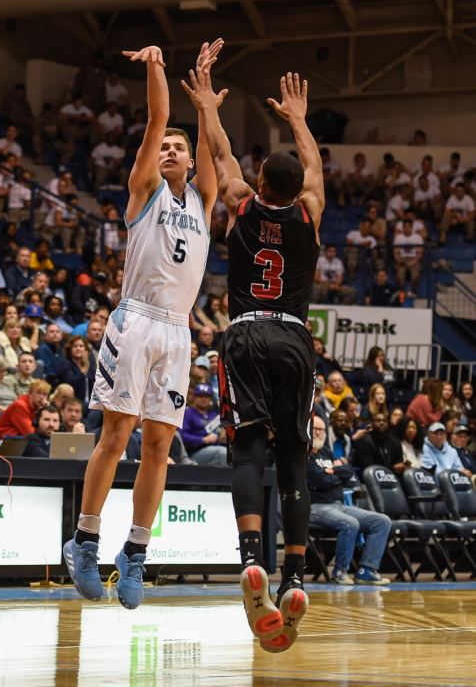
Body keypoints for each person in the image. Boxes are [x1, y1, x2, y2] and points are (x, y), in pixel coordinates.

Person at [63, 41, 222, 611]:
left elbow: (209, 149)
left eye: (181, 148)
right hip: (136, 320)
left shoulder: (203, 200)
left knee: (159, 447)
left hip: (178, 331)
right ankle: (84, 540)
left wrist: (204, 98)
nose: (173, 150)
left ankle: (135, 551)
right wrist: (158, 67)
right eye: (167, 148)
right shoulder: (144, 191)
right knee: (117, 435)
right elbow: (158, 117)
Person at [183, 66, 324, 651]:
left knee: (248, 449)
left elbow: (218, 154)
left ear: (259, 179)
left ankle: (249, 560)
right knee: (293, 456)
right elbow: (312, 168)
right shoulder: (310, 210)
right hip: (294, 336)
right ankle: (293, 574)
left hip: (243, 333)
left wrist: (211, 107)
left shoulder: (241, 202)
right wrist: (299, 119)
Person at [307, 416, 391, 585]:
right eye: (314, 429)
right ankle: (340, 571)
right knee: (350, 523)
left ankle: (366, 570)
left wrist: (332, 472)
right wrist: (335, 471)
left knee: (382, 521)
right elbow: (319, 479)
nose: (318, 433)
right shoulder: (303, 455)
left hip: (338, 505)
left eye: (321, 429)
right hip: (314, 507)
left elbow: (349, 474)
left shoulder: (326, 452)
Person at [179, 383, 227, 465]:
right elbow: (181, 436)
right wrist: (203, 440)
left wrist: (224, 439)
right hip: (194, 452)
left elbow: (220, 433)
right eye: (200, 396)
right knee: (222, 452)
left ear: (210, 399)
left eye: (206, 396)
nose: (203, 399)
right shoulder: (187, 413)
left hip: (215, 448)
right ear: (194, 397)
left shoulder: (213, 416)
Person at [352, 412, 409, 477]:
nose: (381, 423)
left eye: (384, 421)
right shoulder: (364, 442)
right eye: (378, 421)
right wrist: (393, 468)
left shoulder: (395, 442)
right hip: (369, 480)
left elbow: (399, 464)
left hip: (392, 479)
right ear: (372, 423)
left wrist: (403, 467)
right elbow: (368, 468)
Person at [56, 336, 96, 405]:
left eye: (81, 346)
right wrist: (85, 368)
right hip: (72, 403)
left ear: (86, 350)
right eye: (75, 346)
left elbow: (95, 384)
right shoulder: (65, 364)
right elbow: (72, 384)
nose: (78, 348)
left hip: (89, 402)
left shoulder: (88, 365)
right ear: (70, 349)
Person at [393, 219, 424, 293]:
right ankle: (400, 284)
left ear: (412, 227)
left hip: (413, 258)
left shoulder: (418, 237)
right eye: (405, 227)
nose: (407, 228)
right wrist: (399, 261)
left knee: (415, 269)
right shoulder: (398, 238)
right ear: (403, 228)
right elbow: (395, 253)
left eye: (408, 226)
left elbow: (420, 253)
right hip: (402, 258)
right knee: (401, 270)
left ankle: (414, 284)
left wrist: (413, 262)